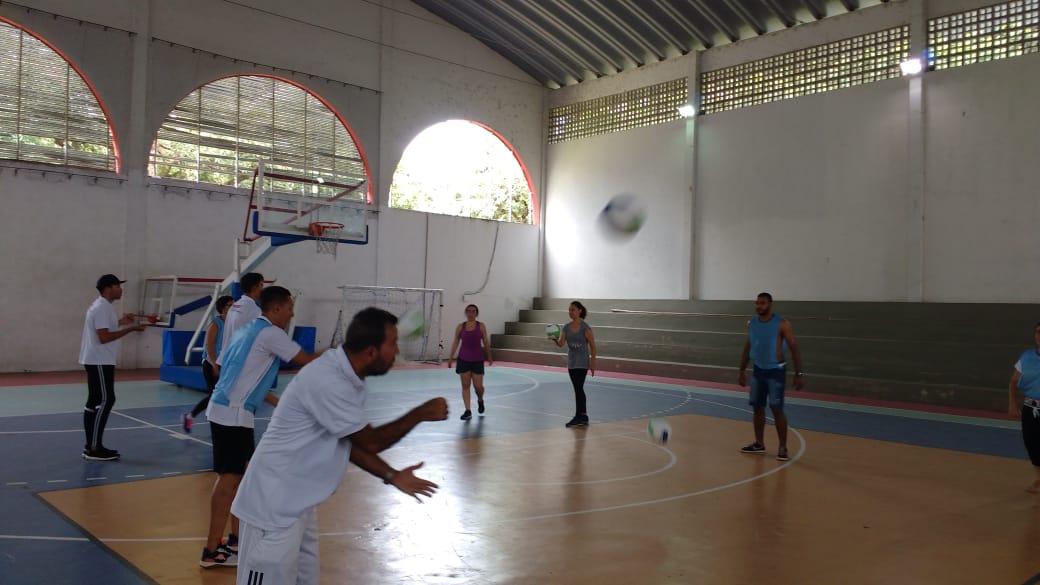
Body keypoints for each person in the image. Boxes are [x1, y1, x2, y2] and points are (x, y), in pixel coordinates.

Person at [231, 307, 448, 585]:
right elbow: (370, 441)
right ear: (371, 352)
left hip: (297, 507)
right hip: (271, 512)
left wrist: (392, 476)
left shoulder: (348, 378)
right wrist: (420, 413)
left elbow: (350, 441)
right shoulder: (328, 380)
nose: (396, 351)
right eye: (392, 344)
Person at [200, 286, 321, 568]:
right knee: (229, 482)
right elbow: (304, 360)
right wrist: (346, 355)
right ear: (276, 309)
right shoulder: (270, 333)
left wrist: (274, 400)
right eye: (290, 307)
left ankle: (236, 540)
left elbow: (240, 373)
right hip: (232, 415)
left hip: (230, 412)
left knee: (239, 479)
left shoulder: (247, 330)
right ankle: (210, 551)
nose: (292, 313)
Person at [79, 274, 148, 461]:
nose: (121, 289)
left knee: (94, 402)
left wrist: (122, 322)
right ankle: (94, 447)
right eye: (118, 286)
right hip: (100, 360)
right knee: (106, 399)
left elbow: (105, 328)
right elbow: (104, 337)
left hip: (96, 359)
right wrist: (131, 329)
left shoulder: (103, 307)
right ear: (108, 288)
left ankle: (92, 445)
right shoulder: (102, 308)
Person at [737, 292, 803, 462]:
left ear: (770, 304)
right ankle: (759, 443)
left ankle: (783, 447)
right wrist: (741, 370)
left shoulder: (782, 323)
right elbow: (748, 346)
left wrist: (798, 373)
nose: (759, 306)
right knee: (757, 407)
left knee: (776, 408)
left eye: (763, 303)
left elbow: (794, 347)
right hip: (759, 370)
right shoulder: (752, 324)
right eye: (757, 303)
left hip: (776, 372)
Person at [183, 295, 234, 433]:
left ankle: (215, 419)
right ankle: (191, 415)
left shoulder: (232, 323)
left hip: (225, 363)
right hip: (211, 363)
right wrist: (215, 365)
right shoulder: (216, 323)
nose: (234, 307)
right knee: (215, 395)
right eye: (230, 305)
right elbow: (209, 344)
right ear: (224, 307)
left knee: (223, 394)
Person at [551, 300, 596, 428]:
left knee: (578, 388)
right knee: (578, 389)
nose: (570, 312)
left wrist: (593, 363)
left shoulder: (585, 327)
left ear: (580, 311)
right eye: (569, 310)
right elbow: (561, 344)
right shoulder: (566, 327)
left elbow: (593, 346)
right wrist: (554, 338)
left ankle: (579, 416)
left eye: (573, 310)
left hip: (582, 362)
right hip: (572, 362)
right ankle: (583, 416)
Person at [1007, 322, 1040, 494]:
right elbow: (1013, 382)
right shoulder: (1027, 357)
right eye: (1037, 332)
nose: (1039, 335)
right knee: (1032, 445)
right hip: (1031, 408)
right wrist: (1013, 402)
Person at [447, 304, 493, 420]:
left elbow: (486, 342)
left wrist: (489, 356)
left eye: (473, 311)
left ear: (476, 314)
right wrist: (451, 357)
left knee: (478, 387)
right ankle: (468, 411)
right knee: (465, 386)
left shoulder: (481, 326)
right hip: (463, 359)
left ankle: (480, 400)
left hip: (477, 360)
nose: (470, 313)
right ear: (465, 313)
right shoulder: (460, 327)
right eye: (468, 311)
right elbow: (456, 342)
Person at [216, 272, 265, 371]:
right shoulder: (254, 310)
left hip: (225, 359)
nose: (262, 289)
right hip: (239, 363)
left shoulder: (234, 306)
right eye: (261, 285)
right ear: (254, 287)